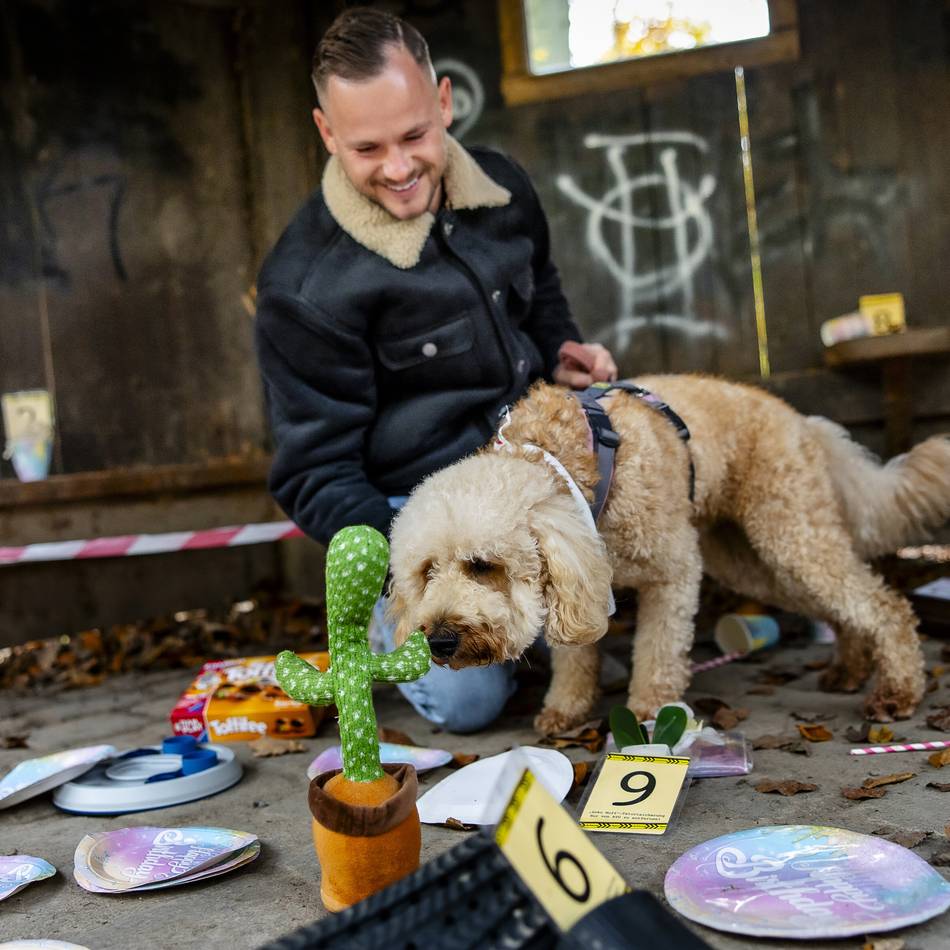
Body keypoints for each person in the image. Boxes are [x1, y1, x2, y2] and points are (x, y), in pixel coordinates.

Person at [255, 7, 616, 732]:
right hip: (415, 515)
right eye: (367, 148)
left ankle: (544, 631)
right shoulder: (303, 288)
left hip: (532, 469)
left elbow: (540, 289)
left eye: (415, 135)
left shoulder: (505, 188)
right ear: (327, 133)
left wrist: (563, 352)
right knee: (470, 699)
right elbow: (312, 475)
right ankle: (437, 633)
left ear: (444, 102)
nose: (397, 168)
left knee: (625, 579)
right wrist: (423, 568)